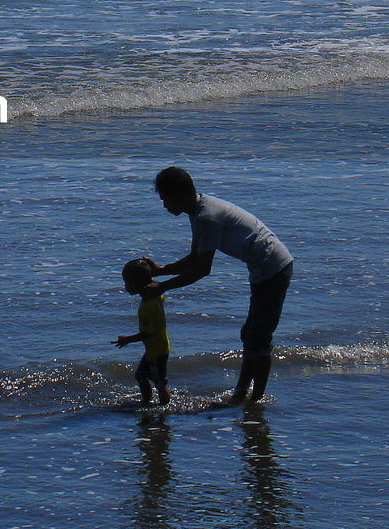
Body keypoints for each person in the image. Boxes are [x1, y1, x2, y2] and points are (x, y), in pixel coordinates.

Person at [142, 166, 293, 403]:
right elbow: (194, 257)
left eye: (165, 199)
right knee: (250, 334)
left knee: (259, 338)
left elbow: (203, 269)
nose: (164, 206)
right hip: (262, 268)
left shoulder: (207, 216)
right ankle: (242, 393)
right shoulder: (198, 211)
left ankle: (255, 400)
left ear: (180, 195)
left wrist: (163, 287)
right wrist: (163, 270)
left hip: (273, 266)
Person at [114, 258, 172, 406]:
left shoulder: (149, 305)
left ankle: (164, 405)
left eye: (128, 283)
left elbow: (148, 333)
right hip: (156, 348)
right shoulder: (153, 295)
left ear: (138, 283)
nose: (126, 287)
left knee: (158, 380)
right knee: (142, 375)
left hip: (157, 350)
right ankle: (148, 401)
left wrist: (127, 339)